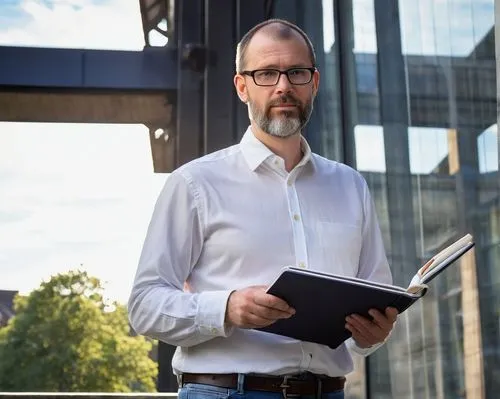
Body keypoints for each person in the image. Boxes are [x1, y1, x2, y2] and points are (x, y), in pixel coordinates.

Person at [128, 18, 397, 399]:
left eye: (296, 73)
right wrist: (227, 308)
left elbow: (372, 306)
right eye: (267, 73)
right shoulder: (195, 183)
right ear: (242, 86)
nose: (283, 86)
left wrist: (374, 334)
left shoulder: (350, 185)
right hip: (225, 392)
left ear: (314, 83)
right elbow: (144, 306)